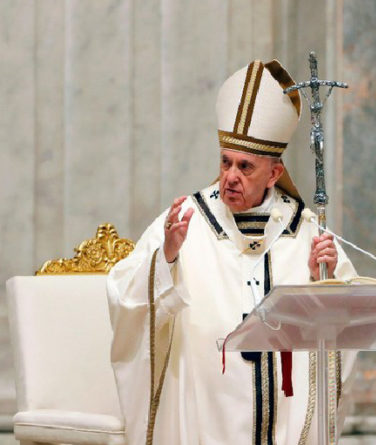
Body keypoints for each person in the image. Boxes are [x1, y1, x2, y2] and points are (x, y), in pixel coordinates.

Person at [107, 59, 356, 445]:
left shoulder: (303, 228)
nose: (230, 177)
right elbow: (125, 295)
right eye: (225, 162)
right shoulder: (186, 219)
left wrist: (321, 277)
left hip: (282, 409)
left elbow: (346, 320)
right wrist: (167, 258)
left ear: (274, 174)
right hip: (203, 405)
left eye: (245, 167)